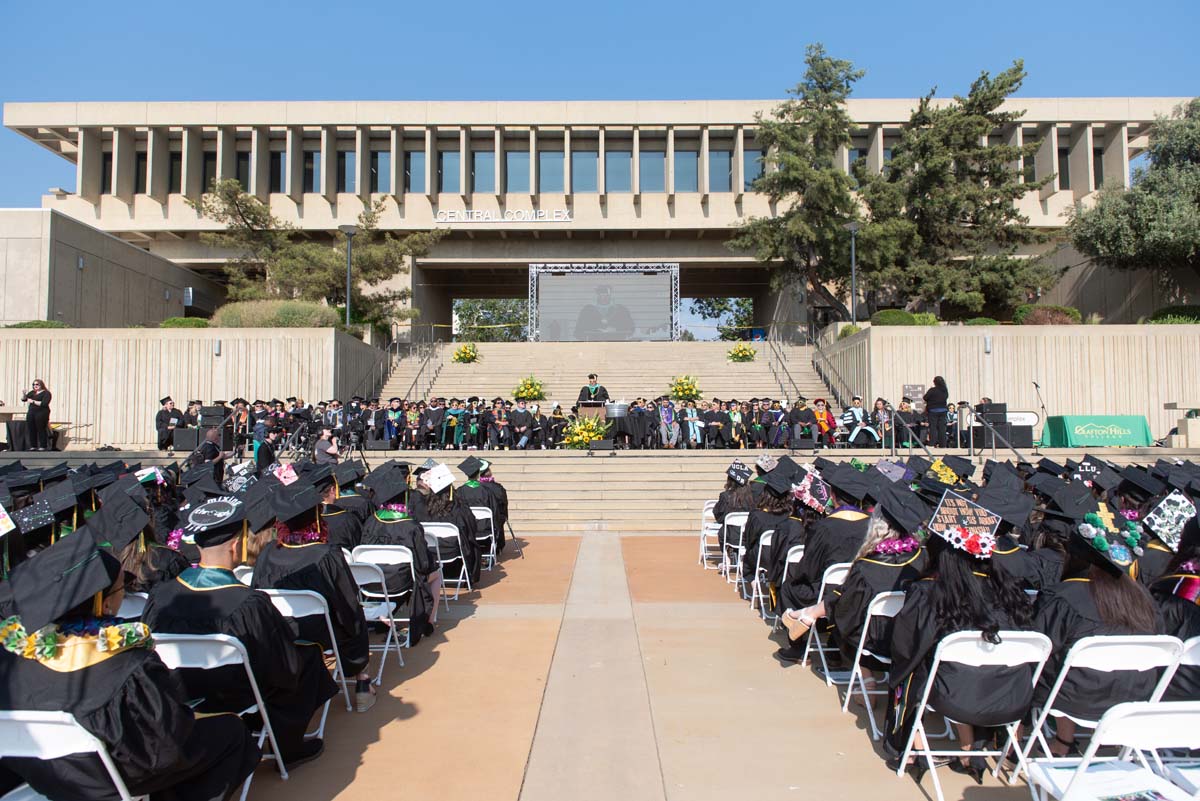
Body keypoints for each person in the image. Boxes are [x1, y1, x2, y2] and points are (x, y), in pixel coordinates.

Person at [0, 531, 261, 801]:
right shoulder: (128, 663)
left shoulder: (15, 658)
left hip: (45, 776)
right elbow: (167, 747)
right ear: (103, 603)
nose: (123, 593)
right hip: (112, 778)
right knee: (232, 733)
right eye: (119, 588)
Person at [141, 496, 337, 770]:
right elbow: (281, 664)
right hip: (237, 693)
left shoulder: (161, 595)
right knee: (306, 659)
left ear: (197, 544)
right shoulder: (247, 603)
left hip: (179, 693)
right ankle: (288, 747)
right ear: (236, 546)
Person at [884, 513, 1035, 780]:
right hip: (1011, 698)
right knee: (967, 668)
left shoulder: (931, 593)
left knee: (913, 669)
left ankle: (913, 750)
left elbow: (905, 648)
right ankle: (969, 750)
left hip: (954, 698)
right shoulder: (1010, 594)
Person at [1034, 514, 1162, 755]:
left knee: (1056, 662)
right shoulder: (1145, 600)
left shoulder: (1064, 596)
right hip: (1137, 697)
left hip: (1076, 700)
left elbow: (1043, 647)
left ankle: (1063, 741)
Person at [251, 480, 375, 712]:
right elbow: (347, 602)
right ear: (317, 518)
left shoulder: (267, 553)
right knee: (353, 615)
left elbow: (257, 590)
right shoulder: (326, 554)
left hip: (278, 632)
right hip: (320, 634)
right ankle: (362, 682)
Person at [21, 378, 51, 451]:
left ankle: (43, 446)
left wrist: (33, 401)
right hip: (31, 412)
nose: (35, 386)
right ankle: (33, 446)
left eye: (37, 384)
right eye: (34, 384)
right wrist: (24, 394)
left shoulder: (46, 393)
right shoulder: (32, 393)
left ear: (41, 385)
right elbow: (24, 399)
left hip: (42, 413)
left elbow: (44, 403)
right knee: (31, 429)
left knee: (41, 428)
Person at [923, 376, 950, 448]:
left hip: (933, 410)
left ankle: (932, 443)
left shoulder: (932, 390)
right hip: (943, 410)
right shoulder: (944, 390)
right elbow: (946, 397)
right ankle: (943, 444)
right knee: (942, 428)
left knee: (933, 427)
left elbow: (925, 397)